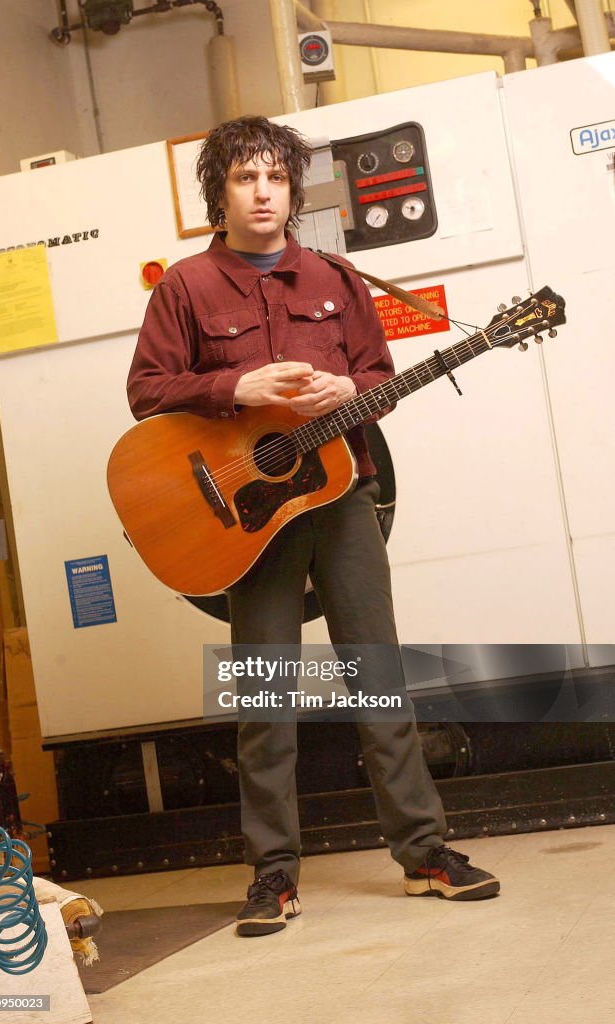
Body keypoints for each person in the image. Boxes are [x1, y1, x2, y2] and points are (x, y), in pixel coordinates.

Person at [127, 115, 499, 937]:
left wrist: (350, 391)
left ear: (293, 190)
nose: (262, 192)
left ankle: (425, 853)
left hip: (341, 497)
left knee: (378, 674)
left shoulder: (335, 276)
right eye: (243, 178)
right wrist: (235, 387)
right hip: (248, 519)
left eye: (275, 178)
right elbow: (148, 392)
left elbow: (378, 374)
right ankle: (273, 876)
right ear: (217, 194)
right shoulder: (185, 287)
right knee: (267, 693)